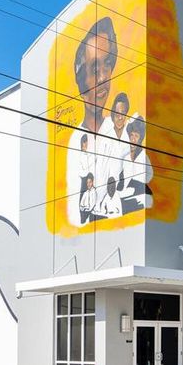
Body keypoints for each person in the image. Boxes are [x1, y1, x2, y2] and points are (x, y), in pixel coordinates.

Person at [65, 17, 119, 226]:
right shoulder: (74, 142)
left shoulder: (115, 130)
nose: (104, 77)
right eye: (95, 69)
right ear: (80, 80)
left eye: (107, 64)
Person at [97, 92, 131, 192]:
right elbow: (100, 168)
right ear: (113, 114)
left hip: (127, 189)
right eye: (117, 114)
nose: (120, 118)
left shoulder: (131, 135)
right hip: (107, 190)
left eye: (123, 114)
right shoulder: (106, 138)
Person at [121, 115, 154, 210]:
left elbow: (150, 174)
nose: (133, 139)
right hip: (125, 193)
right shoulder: (125, 156)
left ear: (140, 139)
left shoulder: (143, 157)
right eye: (132, 135)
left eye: (136, 136)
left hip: (138, 194)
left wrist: (138, 183)